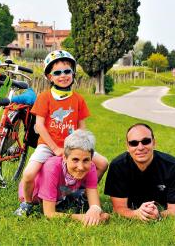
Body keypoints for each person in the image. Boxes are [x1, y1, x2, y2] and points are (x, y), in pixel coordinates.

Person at [15, 50, 108, 216]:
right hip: (48, 145)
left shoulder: (78, 99)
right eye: (57, 72)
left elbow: (81, 128)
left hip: (72, 146)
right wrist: (55, 148)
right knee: (28, 174)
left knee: (102, 163)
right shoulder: (44, 97)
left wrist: (83, 148)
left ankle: (80, 193)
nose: (63, 75)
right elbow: (40, 127)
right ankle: (27, 203)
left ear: (73, 74)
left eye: (67, 71)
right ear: (50, 77)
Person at [18, 130, 109, 225]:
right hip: (35, 196)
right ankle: (27, 204)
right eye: (75, 160)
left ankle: (73, 199)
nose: (81, 167)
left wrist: (95, 210)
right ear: (65, 158)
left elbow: (95, 206)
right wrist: (82, 217)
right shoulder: (52, 167)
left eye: (86, 160)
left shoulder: (91, 167)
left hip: (63, 192)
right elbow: (49, 213)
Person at [104, 123, 175, 221]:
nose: (140, 147)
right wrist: (136, 214)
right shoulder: (117, 166)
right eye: (133, 143)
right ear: (127, 146)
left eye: (146, 141)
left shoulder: (173, 167)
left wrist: (158, 215)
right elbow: (118, 209)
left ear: (154, 142)